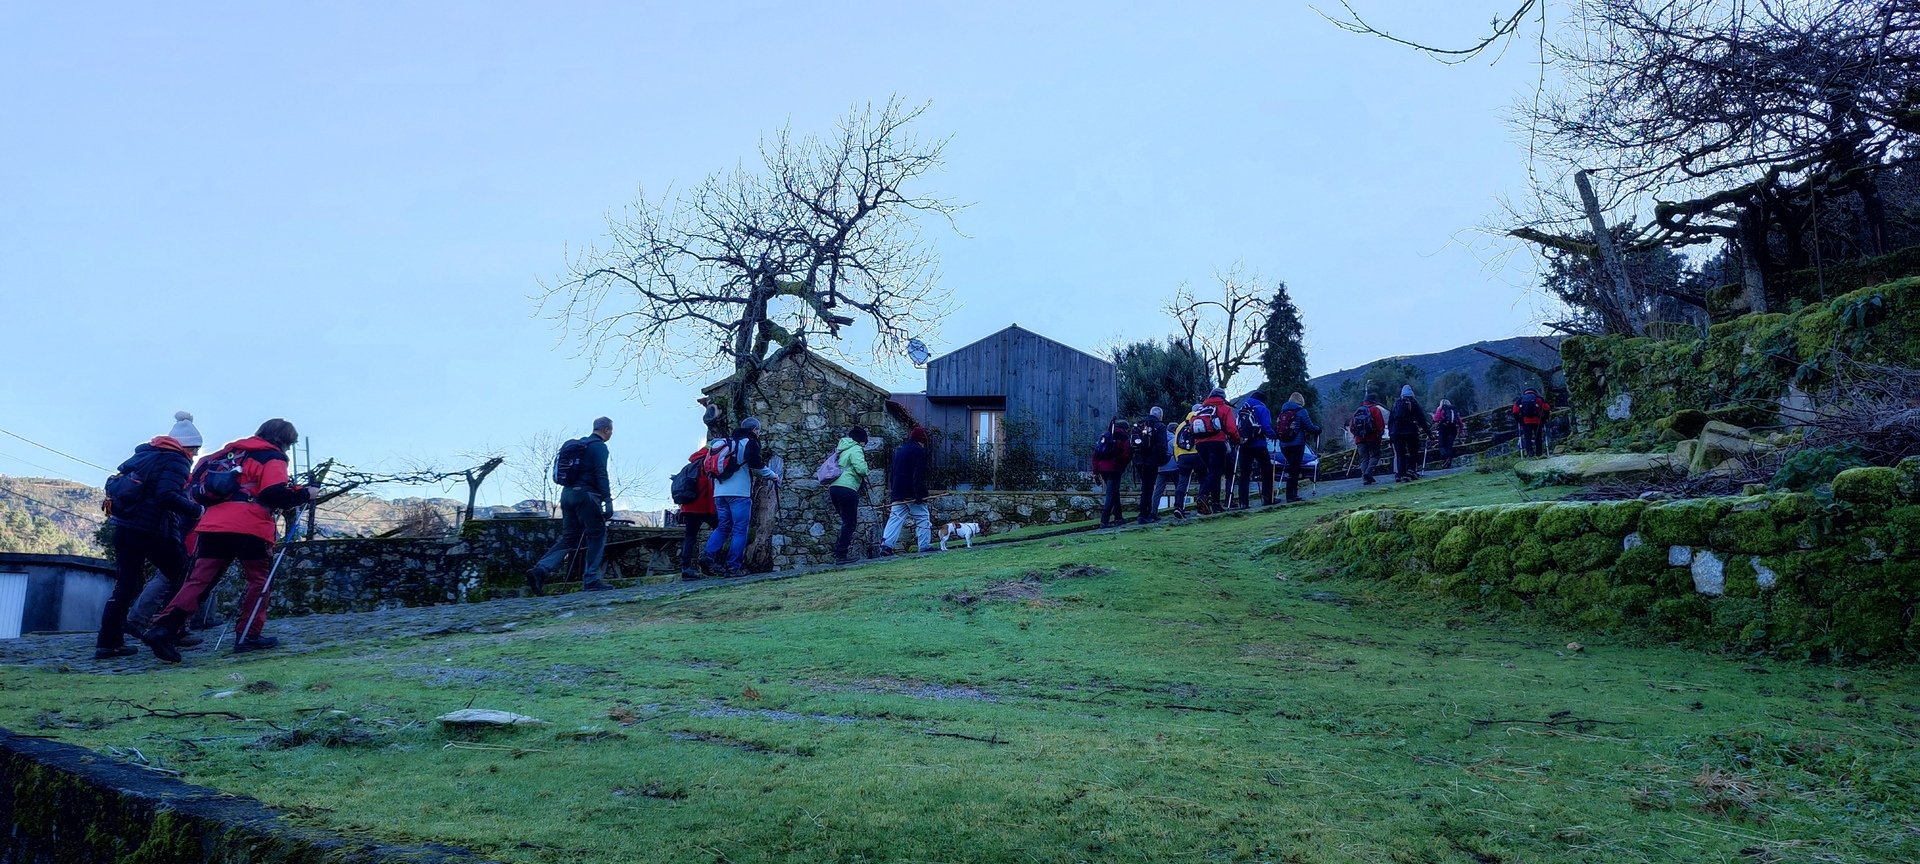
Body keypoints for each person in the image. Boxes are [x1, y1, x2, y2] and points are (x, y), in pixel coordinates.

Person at [139, 419, 319, 663]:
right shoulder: (272, 456)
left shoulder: (226, 454)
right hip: (251, 527)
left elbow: (195, 485)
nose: (287, 449)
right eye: (289, 444)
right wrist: (305, 493)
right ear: (284, 441)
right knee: (259, 582)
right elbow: (273, 493)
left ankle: (163, 630)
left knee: (198, 582)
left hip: (213, 526)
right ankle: (248, 635)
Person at [95, 413, 204, 660]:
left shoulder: (145, 455)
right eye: (195, 449)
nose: (195, 454)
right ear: (186, 446)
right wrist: (197, 510)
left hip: (124, 526)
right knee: (183, 576)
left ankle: (108, 643)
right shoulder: (177, 459)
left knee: (125, 586)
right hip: (153, 530)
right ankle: (167, 632)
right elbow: (166, 496)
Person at [528, 417, 616, 594]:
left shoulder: (581, 445)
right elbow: (601, 473)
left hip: (567, 495)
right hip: (586, 496)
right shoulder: (599, 446)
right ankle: (591, 579)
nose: (611, 434)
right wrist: (608, 500)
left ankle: (541, 569)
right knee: (597, 534)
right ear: (606, 430)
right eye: (611, 431)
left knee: (569, 538)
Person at [701, 417, 779, 576]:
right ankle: (733, 566)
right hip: (739, 494)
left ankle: (708, 556)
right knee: (740, 530)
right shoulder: (749, 443)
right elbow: (756, 466)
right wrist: (773, 475)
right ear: (755, 430)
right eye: (758, 431)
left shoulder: (724, 442)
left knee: (723, 527)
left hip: (719, 493)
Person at [880, 427, 933, 555]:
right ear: (922, 440)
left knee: (895, 518)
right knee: (922, 517)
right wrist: (918, 494)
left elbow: (893, 473)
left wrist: (894, 491)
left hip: (898, 491)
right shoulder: (919, 452)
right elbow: (918, 475)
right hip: (912, 493)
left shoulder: (899, 450)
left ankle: (886, 546)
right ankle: (924, 546)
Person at [1190, 387, 1241, 514]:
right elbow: (1231, 428)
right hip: (1217, 443)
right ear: (1223, 397)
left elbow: (1191, 427)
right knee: (1215, 472)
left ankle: (1216, 504)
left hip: (1200, 444)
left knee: (1213, 473)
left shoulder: (1200, 410)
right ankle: (1203, 496)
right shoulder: (1224, 408)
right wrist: (1238, 439)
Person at [827, 426, 872, 564]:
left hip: (834, 487)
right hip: (847, 487)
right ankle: (841, 554)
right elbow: (861, 469)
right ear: (862, 440)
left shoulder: (841, 449)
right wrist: (867, 470)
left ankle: (838, 551)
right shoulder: (856, 448)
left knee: (845, 521)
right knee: (850, 522)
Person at [1272, 392, 1322, 504]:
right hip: (1297, 444)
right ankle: (1291, 495)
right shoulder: (1301, 411)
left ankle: (1291, 494)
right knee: (1295, 469)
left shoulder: (1283, 411)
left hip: (1284, 445)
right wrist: (1318, 429)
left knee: (1291, 468)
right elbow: (1309, 427)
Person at [676, 441, 716, 580]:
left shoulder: (691, 465)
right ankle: (711, 560)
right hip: (703, 507)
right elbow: (709, 487)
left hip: (688, 507)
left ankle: (685, 568)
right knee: (723, 529)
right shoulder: (707, 463)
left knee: (690, 537)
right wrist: (713, 509)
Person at [1233, 392, 1277, 509]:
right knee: (1266, 470)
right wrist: (1274, 435)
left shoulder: (1242, 409)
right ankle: (1268, 498)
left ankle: (1243, 502)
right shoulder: (1262, 408)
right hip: (1259, 444)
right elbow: (1266, 427)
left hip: (1244, 444)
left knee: (1244, 473)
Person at [1091, 418, 1132, 527]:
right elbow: (1126, 454)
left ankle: (1118, 517)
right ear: (1125, 428)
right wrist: (1121, 466)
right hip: (1115, 468)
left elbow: (1096, 454)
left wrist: (1095, 471)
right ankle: (1104, 521)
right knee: (1111, 494)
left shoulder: (1105, 435)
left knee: (1114, 492)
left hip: (1102, 468)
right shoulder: (1124, 437)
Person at [1131, 407, 1170, 524]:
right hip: (1151, 460)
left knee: (1145, 487)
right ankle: (1145, 513)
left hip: (1139, 460)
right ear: (1160, 416)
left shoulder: (1140, 424)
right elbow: (1162, 445)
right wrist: (1162, 460)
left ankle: (1145, 512)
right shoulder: (1160, 426)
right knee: (1148, 487)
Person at [1388, 385, 1432, 482]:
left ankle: (1401, 475)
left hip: (1396, 432)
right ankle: (1411, 469)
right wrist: (1429, 433)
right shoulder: (1413, 403)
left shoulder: (1395, 404)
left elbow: (1390, 421)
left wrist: (1391, 434)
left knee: (1400, 454)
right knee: (1413, 451)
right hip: (1410, 431)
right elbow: (1421, 419)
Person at [1164, 406, 1200, 518]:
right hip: (1197, 455)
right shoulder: (1200, 421)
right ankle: (1203, 504)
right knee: (1204, 479)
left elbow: (1175, 444)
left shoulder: (1180, 425)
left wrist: (1177, 458)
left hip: (1183, 456)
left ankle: (1178, 506)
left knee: (1182, 482)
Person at [1346, 394, 1388, 485]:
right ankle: (1368, 473)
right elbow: (1380, 424)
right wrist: (1380, 434)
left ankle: (1365, 479)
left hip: (1359, 439)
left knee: (1364, 459)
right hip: (1373, 438)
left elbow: (1351, 426)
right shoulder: (1375, 410)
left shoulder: (1357, 411)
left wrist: (1357, 435)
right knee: (1375, 456)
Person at [1512, 388, 1553, 457]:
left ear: (1525, 392)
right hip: (1537, 421)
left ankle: (1530, 453)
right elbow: (1547, 408)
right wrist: (1544, 419)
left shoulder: (1521, 399)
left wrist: (1519, 421)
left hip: (1526, 422)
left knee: (1527, 438)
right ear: (1535, 392)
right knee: (1538, 438)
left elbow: (1515, 411)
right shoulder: (1539, 399)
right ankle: (1539, 454)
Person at [1432, 398, 1463, 469]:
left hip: (1443, 429)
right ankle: (1448, 463)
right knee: (1449, 447)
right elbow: (1460, 422)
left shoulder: (1440, 409)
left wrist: (1434, 415)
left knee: (1441, 446)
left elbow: (1436, 419)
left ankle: (1446, 458)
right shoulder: (1453, 409)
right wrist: (1461, 430)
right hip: (1453, 429)